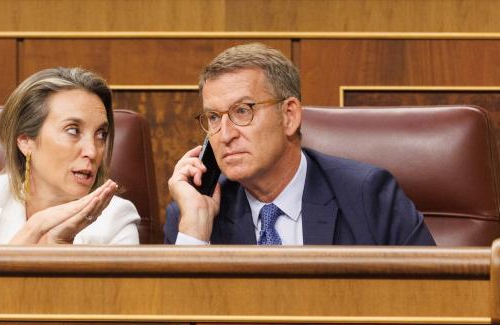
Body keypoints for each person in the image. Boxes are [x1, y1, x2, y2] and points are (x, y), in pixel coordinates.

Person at [164, 43, 435, 246]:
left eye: (242, 111)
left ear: (289, 116)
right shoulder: (192, 212)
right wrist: (195, 231)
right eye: (213, 117)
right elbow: (176, 320)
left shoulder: (368, 196)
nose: (224, 135)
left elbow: (432, 300)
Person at [0, 67, 140, 245]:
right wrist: (35, 226)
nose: (92, 151)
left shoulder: (117, 217)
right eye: (73, 130)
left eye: (101, 134)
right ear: (26, 141)